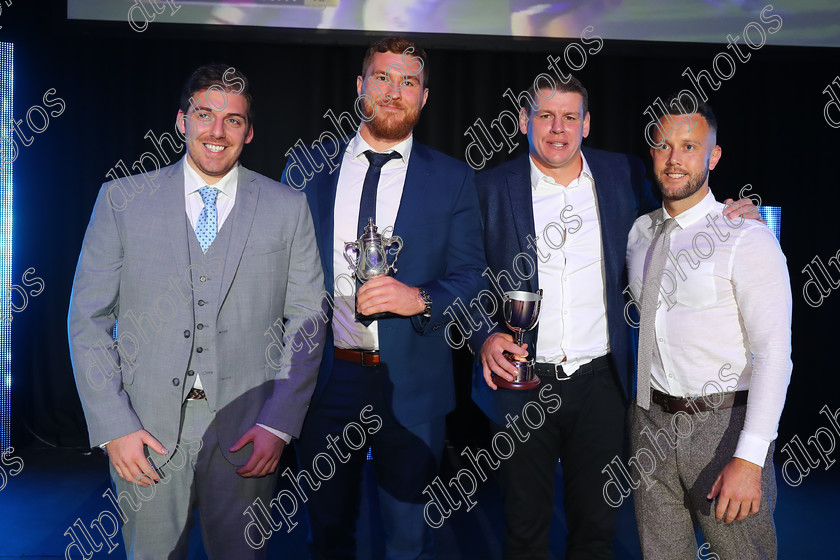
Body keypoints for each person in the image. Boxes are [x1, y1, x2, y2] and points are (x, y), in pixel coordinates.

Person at [468, 75, 760, 559]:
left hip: (602, 386)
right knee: (523, 533)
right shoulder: (486, 188)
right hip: (520, 385)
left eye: (569, 117)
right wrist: (483, 335)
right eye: (545, 115)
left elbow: (679, 204)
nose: (557, 128)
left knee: (596, 534)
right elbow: (464, 273)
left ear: (587, 124)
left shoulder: (623, 174)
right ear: (524, 122)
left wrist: (726, 212)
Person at [68, 64, 326, 559]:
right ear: (182, 120)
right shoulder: (122, 200)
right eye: (205, 115)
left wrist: (279, 422)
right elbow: (87, 320)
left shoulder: (287, 207)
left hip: (248, 431)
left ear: (248, 132)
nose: (216, 131)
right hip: (145, 431)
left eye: (232, 120)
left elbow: (308, 321)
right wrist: (114, 425)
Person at [283, 36, 485, 559]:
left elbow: (471, 277)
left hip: (413, 386)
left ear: (424, 97)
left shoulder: (453, 179)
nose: (394, 92)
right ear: (360, 86)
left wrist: (418, 298)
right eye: (383, 78)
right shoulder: (307, 169)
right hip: (325, 380)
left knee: (409, 539)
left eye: (408, 82)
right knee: (326, 533)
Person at [626, 97, 791, 559]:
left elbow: (775, 355)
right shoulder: (639, 234)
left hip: (724, 427)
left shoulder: (747, 237)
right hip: (649, 422)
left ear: (713, 156)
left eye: (690, 146)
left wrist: (749, 456)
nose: (675, 159)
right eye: (664, 145)